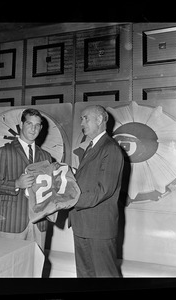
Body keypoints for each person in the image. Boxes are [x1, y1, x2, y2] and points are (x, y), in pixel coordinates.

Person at [68, 105, 124, 277]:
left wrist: (70, 200)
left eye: (85, 118)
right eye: (81, 119)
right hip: (83, 225)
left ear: (100, 120)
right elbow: (90, 181)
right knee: (85, 276)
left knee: (105, 277)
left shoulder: (110, 148)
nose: (81, 123)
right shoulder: (93, 146)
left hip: (98, 228)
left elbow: (103, 190)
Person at [0, 108, 52, 250]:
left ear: (41, 128)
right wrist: (16, 183)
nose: (33, 128)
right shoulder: (4, 152)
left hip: (39, 223)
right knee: (11, 268)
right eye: (29, 124)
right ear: (22, 125)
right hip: (13, 222)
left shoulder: (46, 156)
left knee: (36, 268)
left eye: (37, 125)